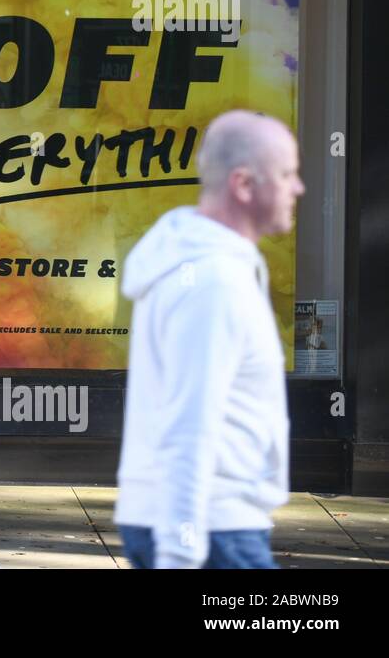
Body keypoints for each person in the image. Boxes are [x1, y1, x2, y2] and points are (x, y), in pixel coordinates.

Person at [115, 110, 305, 568]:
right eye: (286, 174)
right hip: (210, 528)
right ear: (244, 185)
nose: (297, 188)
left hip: (203, 522)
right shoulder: (213, 283)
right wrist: (180, 553)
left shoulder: (204, 268)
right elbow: (189, 424)